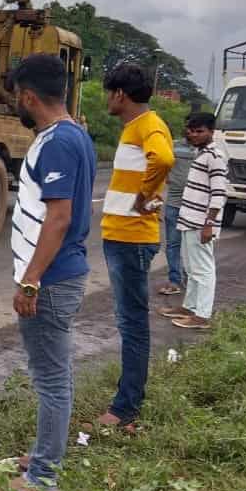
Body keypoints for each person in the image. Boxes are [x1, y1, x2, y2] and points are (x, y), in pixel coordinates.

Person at [5, 55, 96, 491]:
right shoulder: (75, 134)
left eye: (16, 97)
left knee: (52, 379)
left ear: (28, 96)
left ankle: (41, 479)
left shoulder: (56, 142)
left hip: (52, 279)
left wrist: (31, 280)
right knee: (53, 375)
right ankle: (43, 454)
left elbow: (58, 218)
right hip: (60, 275)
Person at [97, 63, 174, 429]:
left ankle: (125, 408)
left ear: (120, 95)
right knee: (129, 321)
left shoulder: (149, 127)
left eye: (108, 93)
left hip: (131, 238)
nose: (107, 100)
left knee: (132, 324)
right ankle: (127, 402)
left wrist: (144, 198)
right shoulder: (136, 128)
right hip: (122, 236)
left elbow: (165, 159)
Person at [159, 112, 227, 329]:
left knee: (203, 270)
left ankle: (202, 316)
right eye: (191, 130)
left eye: (200, 131)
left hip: (201, 223)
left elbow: (219, 193)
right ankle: (190, 307)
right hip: (188, 219)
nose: (194, 135)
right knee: (191, 267)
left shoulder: (214, 156)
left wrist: (209, 224)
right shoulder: (201, 153)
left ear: (211, 131)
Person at [155, 137, 196, 297]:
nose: (193, 132)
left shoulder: (206, 150)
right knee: (175, 244)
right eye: (191, 128)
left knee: (188, 245)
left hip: (193, 206)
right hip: (175, 204)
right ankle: (176, 280)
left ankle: (188, 280)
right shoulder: (174, 147)